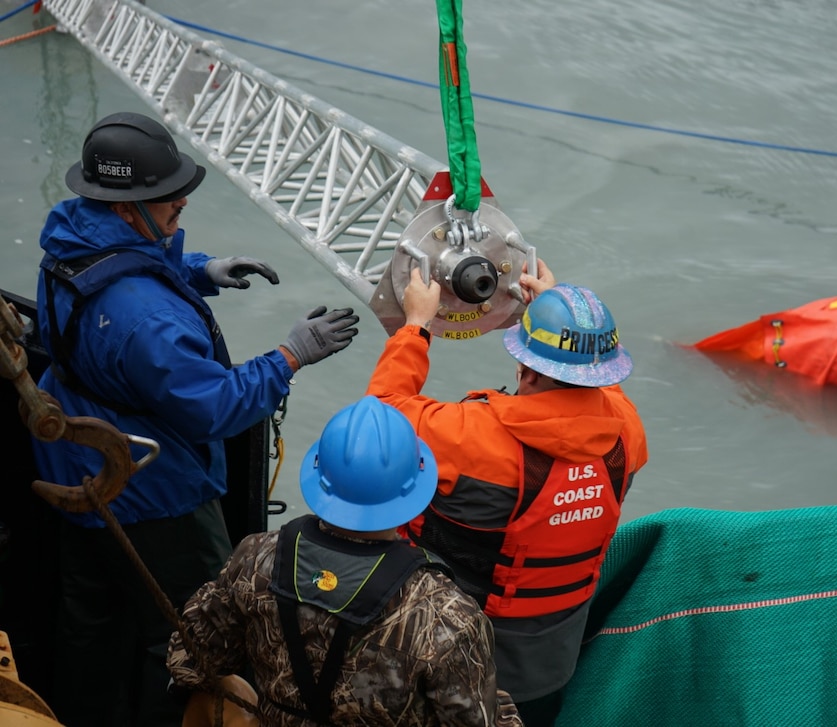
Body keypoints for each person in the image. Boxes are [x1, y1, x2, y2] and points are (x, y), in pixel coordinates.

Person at [31, 111, 360, 727]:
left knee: (91, 616)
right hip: (150, 492)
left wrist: (199, 270)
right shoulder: (149, 323)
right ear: (129, 209)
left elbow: (119, 271)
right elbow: (214, 408)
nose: (181, 206)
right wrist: (291, 355)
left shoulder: (69, 235)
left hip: (75, 467)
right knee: (193, 634)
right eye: (172, 207)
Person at [365, 260, 649, 726]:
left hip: (449, 658)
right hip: (549, 667)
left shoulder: (471, 436)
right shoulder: (627, 437)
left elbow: (380, 417)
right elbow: (605, 391)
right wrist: (560, 313)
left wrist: (415, 326)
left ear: (527, 371)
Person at [166, 396, 524, 727]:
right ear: (413, 489)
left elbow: (192, 660)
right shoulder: (444, 614)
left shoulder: (255, 558)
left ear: (320, 479)